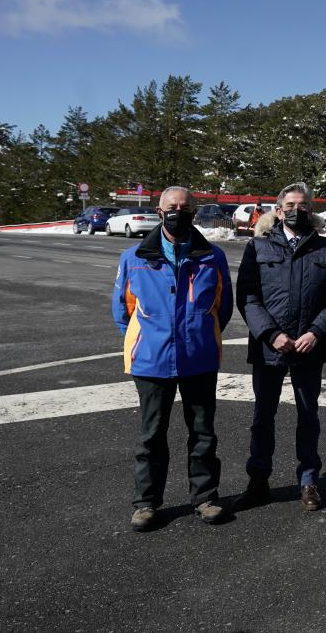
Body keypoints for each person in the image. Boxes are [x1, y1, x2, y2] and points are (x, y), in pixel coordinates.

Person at [112, 186, 233, 532]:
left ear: (194, 211)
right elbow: (123, 310)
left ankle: (206, 497)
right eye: (171, 206)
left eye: (185, 206)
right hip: (151, 361)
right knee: (151, 435)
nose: (178, 211)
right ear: (159, 210)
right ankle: (146, 503)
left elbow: (221, 308)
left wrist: (199, 333)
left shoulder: (212, 256)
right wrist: (146, 339)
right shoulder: (134, 256)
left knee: (203, 433)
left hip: (199, 358)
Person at [234, 183, 326, 512]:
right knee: (263, 417)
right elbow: (248, 297)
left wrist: (317, 332)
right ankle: (258, 480)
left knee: (308, 415)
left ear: (310, 210)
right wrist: (270, 334)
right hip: (270, 348)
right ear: (279, 210)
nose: (296, 210)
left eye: (303, 205)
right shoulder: (257, 248)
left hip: (308, 347)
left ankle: (309, 480)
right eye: (290, 205)